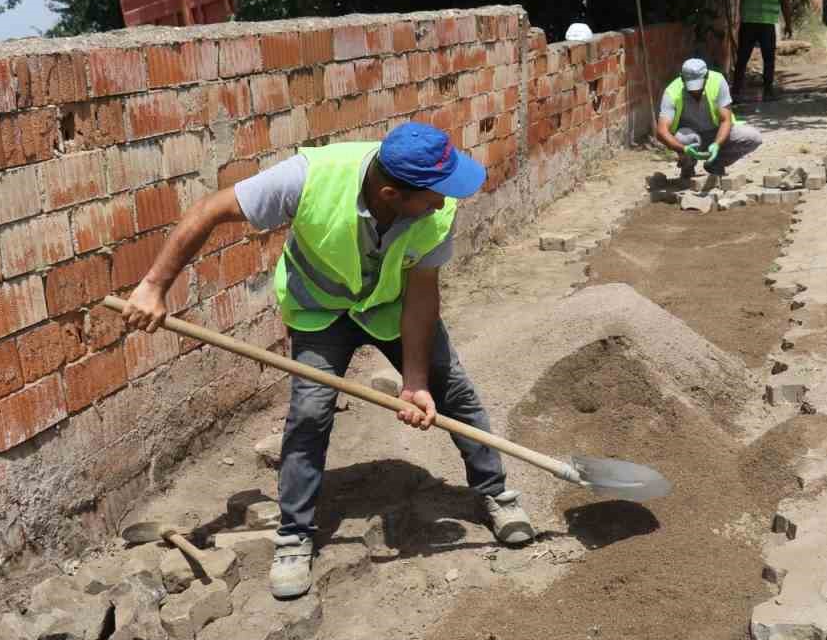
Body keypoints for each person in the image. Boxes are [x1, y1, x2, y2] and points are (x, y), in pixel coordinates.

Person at [121, 122, 535, 599]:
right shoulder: (310, 177)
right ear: (390, 193)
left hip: (388, 306)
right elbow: (209, 209)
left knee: (452, 388)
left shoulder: (435, 214)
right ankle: (295, 534)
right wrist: (153, 286)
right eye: (433, 195)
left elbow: (422, 296)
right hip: (318, 308)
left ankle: (494, 494)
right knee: (311, 411)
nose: (443, 203)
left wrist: (416, 379)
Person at [654, 58, 764, 180]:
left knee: (753, 137)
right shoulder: (672, 92)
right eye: (691, 87)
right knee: (682, 138)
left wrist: (717, 144)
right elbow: (661, 131)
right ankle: (687, 167)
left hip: (716, 132)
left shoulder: (717, 81)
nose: (695, 92)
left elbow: (725, 120)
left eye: (699, 87)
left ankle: (715, 164)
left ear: (706, 76)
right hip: (691, 137)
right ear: (682, 78)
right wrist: (684, 149)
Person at [734, 0, 794, 100]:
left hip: (748, 24)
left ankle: (736, 91)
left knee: (742, 58)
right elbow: (785, 3)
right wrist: (788, 24)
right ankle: (768, 91)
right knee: (768, 59)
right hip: (767, 26)